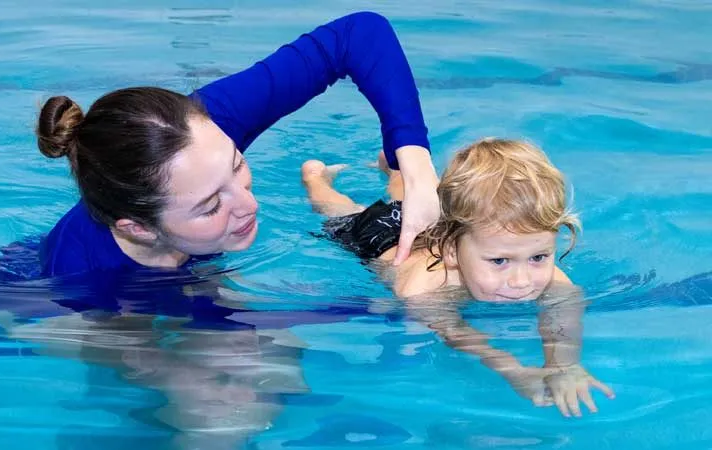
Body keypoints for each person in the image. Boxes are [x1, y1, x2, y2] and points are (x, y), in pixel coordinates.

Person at [36, 11, 439, 277]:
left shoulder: (205, 129)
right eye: (211, 205)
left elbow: (359, 34)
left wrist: (418, 173)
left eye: (236, 165)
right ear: (138, 229)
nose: (250, 204)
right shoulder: (79, 274)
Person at [301, 138, 616, 417]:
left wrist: (563, 366)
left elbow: (564, 307)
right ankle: (316, 178)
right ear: (451, 251)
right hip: (379, 238)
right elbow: (455, 332)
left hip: (437, 223)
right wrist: (513, 370)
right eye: (499, 261)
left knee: (411, 198)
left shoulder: (528, 262)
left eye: (538, 257)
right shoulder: (424, 291)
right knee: (340, 211)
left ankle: (394, 168)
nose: (521, 280)